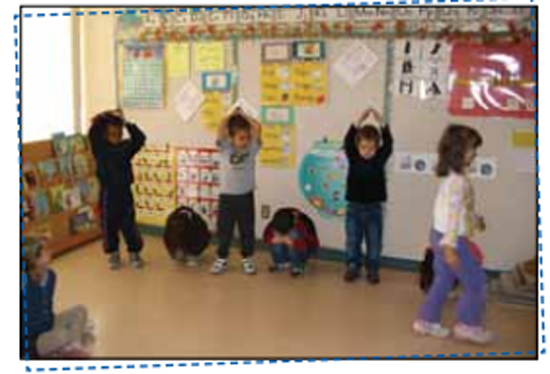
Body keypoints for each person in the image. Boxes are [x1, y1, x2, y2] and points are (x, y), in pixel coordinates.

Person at [413, 124, 494, 345]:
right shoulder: (457, 181)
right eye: (472, 149)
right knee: (476, 281)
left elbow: (456, 209)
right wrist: (449, 247)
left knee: (444, 280)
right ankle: (467, 325)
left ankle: (426, 321)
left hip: (438, 235)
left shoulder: (451, 176)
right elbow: (452, 214)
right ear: (459, 151)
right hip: (451, 241)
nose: (475, 153)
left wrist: (475, 220)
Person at [88, 109, 146, 270]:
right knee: (109, 225)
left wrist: (126, 122)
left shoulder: (126, 147)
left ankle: (134, 253)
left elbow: (140, 138)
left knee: (129, 225)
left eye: (118, 133)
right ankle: (113, 254)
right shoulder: (100, 149)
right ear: (105, 134)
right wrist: (105, 116)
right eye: (111, 133)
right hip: (108, 194)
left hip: (124, 193)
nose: (116, 136)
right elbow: (93, 133)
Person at [342, 108, 393, 284]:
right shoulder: (353, 157)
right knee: (352, 240)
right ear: (358, 146)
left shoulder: (379, 159)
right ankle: (352, 266)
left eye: (371, 148)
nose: (367, 151)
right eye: (363, 147)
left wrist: (382, 123)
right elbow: (348, 141)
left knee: (374, 242)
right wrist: (359, 121)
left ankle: (372, 269)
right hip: (354, 208)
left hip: (374, 209)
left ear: (376, 147)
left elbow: (389, 144)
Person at [21, 237, 94, 359]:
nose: (50, 251)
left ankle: (72, 347)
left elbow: (46, 307)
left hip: (48, 324)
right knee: (63, 335)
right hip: (30, 340)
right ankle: (66, 345)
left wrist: (52, 324)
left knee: (80, 310)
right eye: (45, 250)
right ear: (34, 259)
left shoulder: (51, 275)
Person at [210, 108, 262, 275]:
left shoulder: (252, 149)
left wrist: (244, 115)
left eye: (247, 137)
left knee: (247, 230)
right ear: (231, 137)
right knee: (224, 230)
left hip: (245, 197)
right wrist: (231, 115)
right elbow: (220, 128)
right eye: (241, 138)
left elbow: (258, 127)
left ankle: (247, 258)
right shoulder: (225, 148)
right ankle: (221, 258)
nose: (245, 140)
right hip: (227, 198)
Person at [263, 208, 319, 277]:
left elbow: (310, 245)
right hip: (288, 246)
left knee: (293, 234)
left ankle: (298, 265)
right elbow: (266, 237)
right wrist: (274, 239)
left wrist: (294, 243)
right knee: (275, 239)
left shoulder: (303, 224)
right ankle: (281, 263)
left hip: (304, 251)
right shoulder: (278, 220)